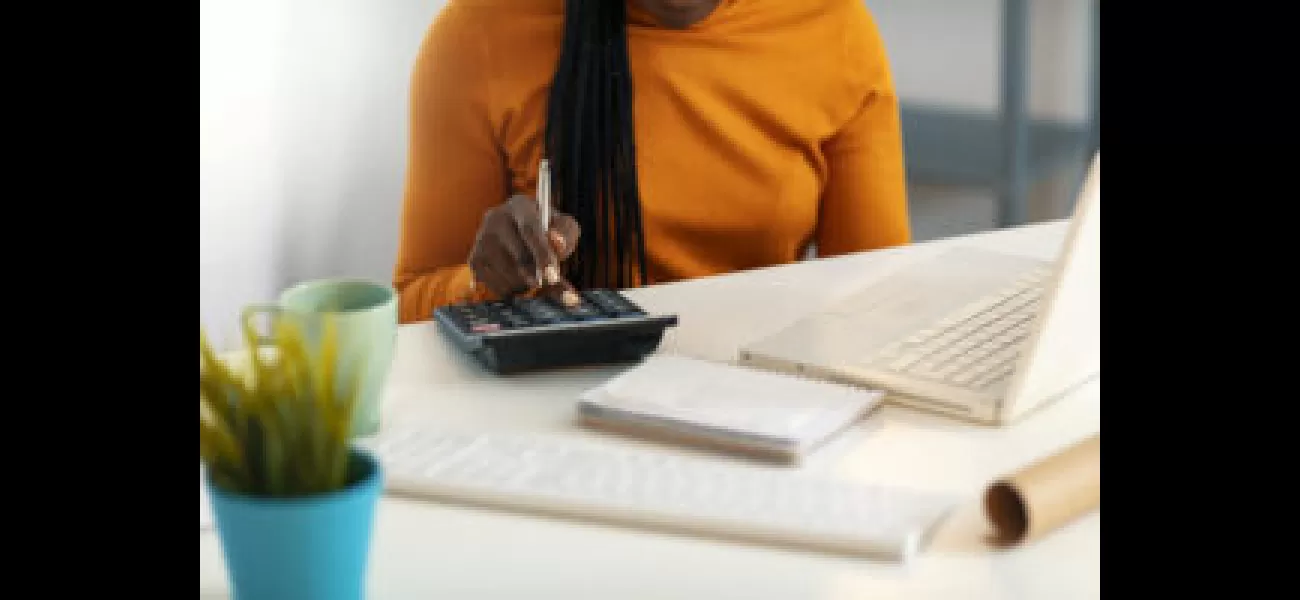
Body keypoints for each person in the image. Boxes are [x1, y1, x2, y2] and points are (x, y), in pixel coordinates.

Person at [393, 0, 911, 324]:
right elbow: (408, 308)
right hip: (553, 400)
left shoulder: (835, 30)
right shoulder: (480, 33)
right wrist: (485, 284)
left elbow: (877, 300)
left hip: (759, 398)